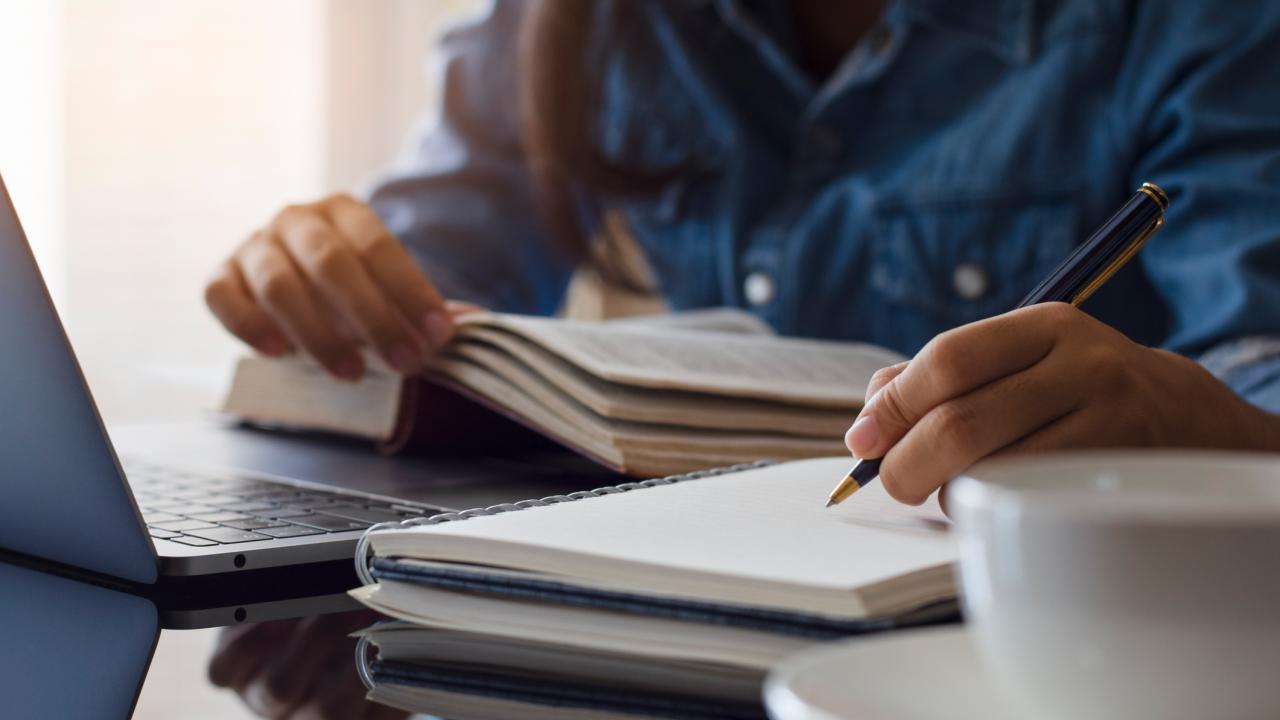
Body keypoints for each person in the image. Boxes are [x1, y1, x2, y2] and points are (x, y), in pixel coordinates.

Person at [206, 1, 1280, 715]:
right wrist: (318, 277)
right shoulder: (573, 25)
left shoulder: (1190, 27)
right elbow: (423, 284)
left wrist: (1217, 430)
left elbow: (1258, 367)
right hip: (669, 646)